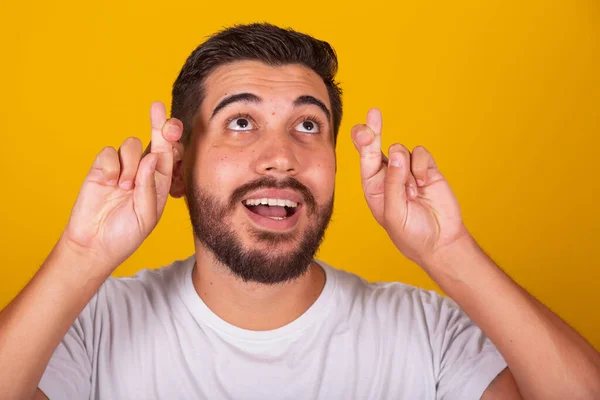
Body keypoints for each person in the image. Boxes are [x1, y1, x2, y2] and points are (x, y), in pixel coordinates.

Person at [0, 23, 599, 400]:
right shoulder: (92, 328)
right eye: (241, 122)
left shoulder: (427, 335)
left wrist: (450, 253)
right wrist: (80, 259)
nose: (282, 158)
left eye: (308, 126)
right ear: (177, 166)